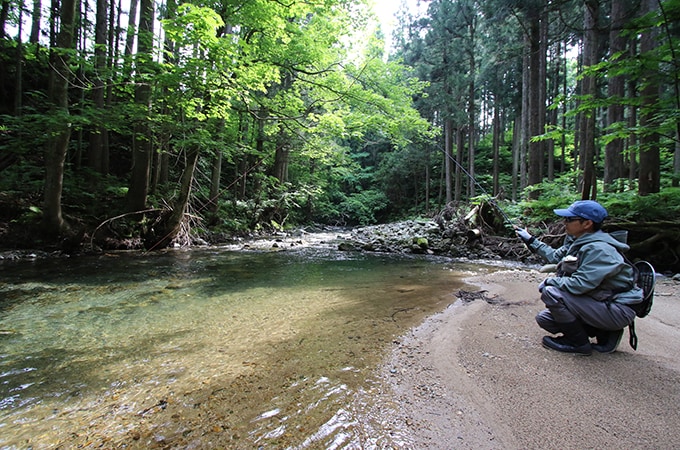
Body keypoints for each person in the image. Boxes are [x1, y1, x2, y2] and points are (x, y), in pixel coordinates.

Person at [515, 200, 643, 355]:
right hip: (602, 303)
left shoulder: (599, 249)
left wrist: (549, 281)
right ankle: (606, 333)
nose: (564, 222)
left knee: (552, 292)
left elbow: (579, 284)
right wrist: (530, 240)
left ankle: (578, 344)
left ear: (587, 223)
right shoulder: (579, 241)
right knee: (545, 319)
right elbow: (555, 256)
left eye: (569, 219)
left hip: (617, 309)